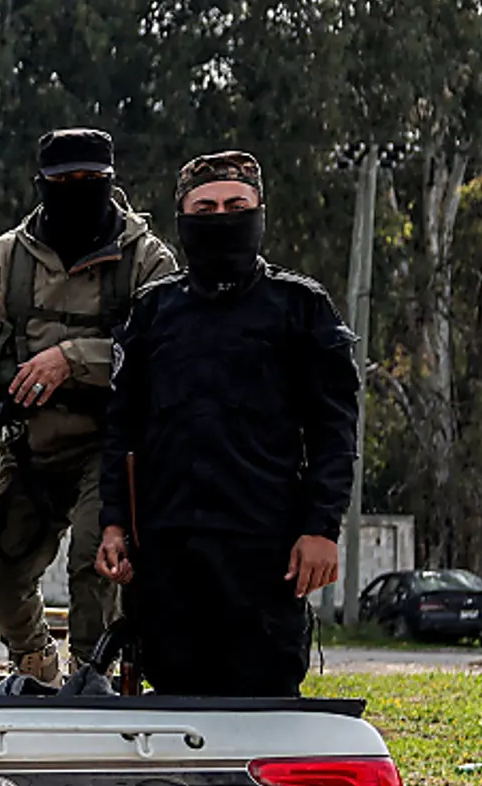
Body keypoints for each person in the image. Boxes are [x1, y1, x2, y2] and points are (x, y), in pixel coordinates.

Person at [0, 128, 179, 685]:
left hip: (111, 443)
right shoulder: (3, 258)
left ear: (111, 183)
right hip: (30, 441)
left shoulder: (146, 259)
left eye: (91, 182)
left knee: (96, 561)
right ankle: (38, 665)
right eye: (64, 183)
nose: (78, 192)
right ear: (43, 186)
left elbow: (168, 351)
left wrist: (74, 358)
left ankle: (94, 680)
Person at [97, 151, 360, 696]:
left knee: (265, 712)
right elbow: (121, 431)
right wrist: (115, 525)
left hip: (265, 557)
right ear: (184, 218)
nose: (223, 217)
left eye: (237, 205)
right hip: (168, 559)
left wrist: (321, 530)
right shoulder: (152, 313)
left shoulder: (300, 308)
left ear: (260, 212)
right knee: (171, 710)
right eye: (207, 207)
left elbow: (335, 433)